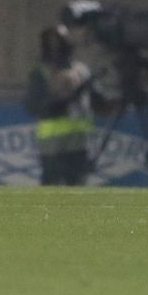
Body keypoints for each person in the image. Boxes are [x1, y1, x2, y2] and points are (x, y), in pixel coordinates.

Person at [23, 25, 109, 186]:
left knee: (76, 185)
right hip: (52, 143)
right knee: (52, 184)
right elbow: (34, 105)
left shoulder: (81, 70)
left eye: (59, 41)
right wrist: (68, 98)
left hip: (79, 141)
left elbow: (99, 102)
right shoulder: (41, 71)